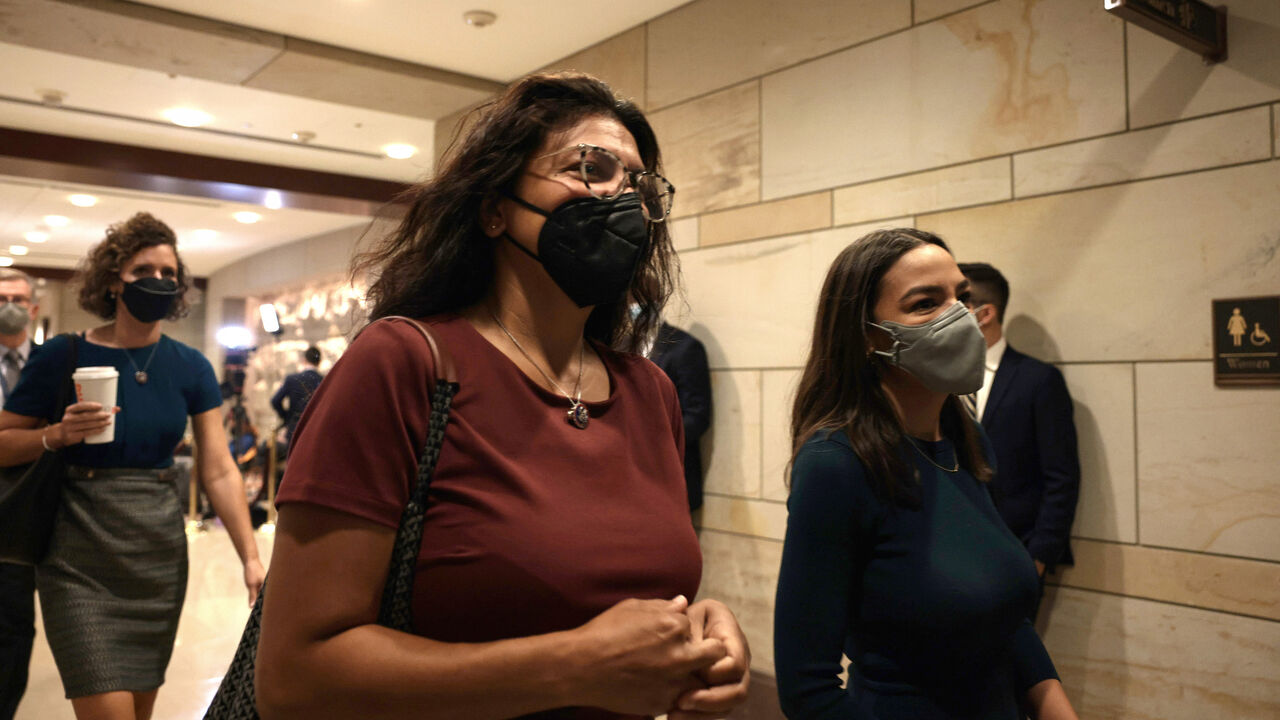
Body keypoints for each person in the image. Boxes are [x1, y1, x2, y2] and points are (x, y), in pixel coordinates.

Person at [254, 72, 750, 720]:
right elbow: (295, 678)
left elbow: (612, 590)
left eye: (640, 186)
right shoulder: (402, 364)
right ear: (494, 207)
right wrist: (570, 667)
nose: (623, 200)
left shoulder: (649, 391)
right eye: (592, 167)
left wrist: (696, 631)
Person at [774, 229, 1078, 719]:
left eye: (962, 297)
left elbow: (1003, 621)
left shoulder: (968, 443)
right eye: (925, 303)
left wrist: (1054, 706)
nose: (959, 316)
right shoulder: (837, 464)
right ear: (868, 336)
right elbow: (807, 687)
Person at [0, 212, 265, 720]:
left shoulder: (190, 366)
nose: (159, 282)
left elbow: (219, 469)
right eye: (145, 270)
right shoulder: (62, 354)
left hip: (157, 556)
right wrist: (54, 435)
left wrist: (249, 556)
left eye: (169, 273)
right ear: (113, 281)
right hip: (77, 553)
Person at [958, 262, 1080, 611]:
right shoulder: (938, 380)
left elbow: (1062, 476)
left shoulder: (1038, 381)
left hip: (1012, 556)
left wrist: (1037, 560)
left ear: (984, 314)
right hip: (946, 556)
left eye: (956, 303)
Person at [0, 269, 40, 720]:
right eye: (0, 297)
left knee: (14, 627)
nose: (8, 305)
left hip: (30, 509)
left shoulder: (52, 364)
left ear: (32, 309)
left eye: (16, 297)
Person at [649, 323, 712, 513]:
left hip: (670, 479)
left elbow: (697, 415)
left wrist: (649, 442)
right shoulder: (616, 345)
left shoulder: (684, 347)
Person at [270, 345, 323, 451]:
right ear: (319, 362)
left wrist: (287, 418)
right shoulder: (324, 380)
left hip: (295, 428)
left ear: (304, 360)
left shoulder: (292, 379)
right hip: (316, 430)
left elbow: (275, 401)